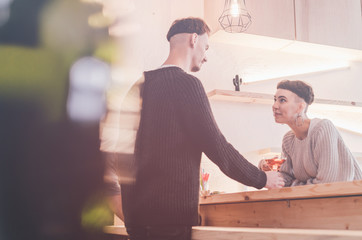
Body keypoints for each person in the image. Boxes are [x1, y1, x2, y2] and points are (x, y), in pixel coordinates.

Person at [105, 17, 284, 240]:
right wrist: (262, 178)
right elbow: (218, 147)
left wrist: (131, 214)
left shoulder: (137, 86)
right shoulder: (187, 85)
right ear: (193, 39)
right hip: (171, 223)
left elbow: (121, 156)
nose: (206, 56)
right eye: (206, 47)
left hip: (137, 224)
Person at [272, 80, 362, 187]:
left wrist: (294, 185)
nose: (275, 106)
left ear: (300, 107)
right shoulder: (288, 140)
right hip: (316, 200)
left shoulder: (322, 128)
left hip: (350, 199)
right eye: (275, 100)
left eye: (282, 100)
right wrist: (267, 173)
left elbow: (328, 184)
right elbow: (285, 181)